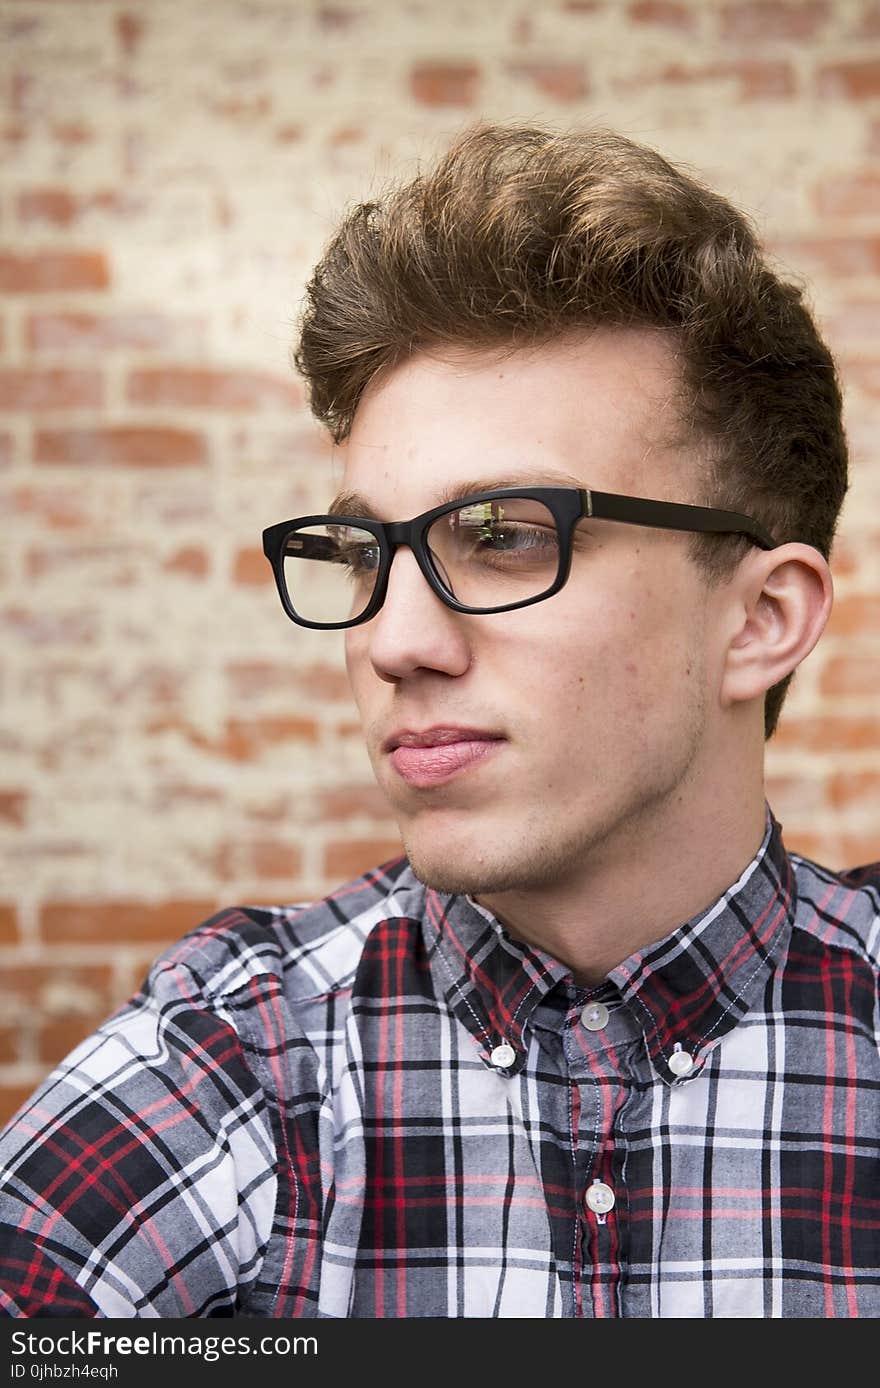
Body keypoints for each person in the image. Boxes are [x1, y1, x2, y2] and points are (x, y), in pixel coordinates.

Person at [0, 121, 877, 1321]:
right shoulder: (248, 1053)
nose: (392, 638)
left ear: (761, 616)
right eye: (365, 549)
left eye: (505, 535)